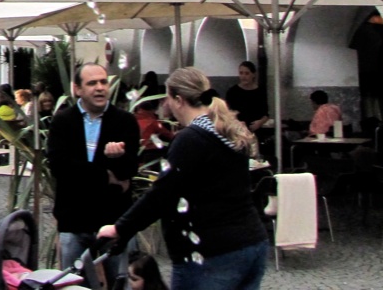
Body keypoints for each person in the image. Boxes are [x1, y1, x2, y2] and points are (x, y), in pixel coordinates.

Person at [97, 67, 268, 290]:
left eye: (168, 98)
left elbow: (162, 194)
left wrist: (120, 229)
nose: (166, 104)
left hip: (209, 251)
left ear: (178, 100)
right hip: (251, 241)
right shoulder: (227, 132)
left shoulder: (191, 139)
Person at [47, 63, 139, 287]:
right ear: (77, 89)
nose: (99, 88)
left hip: (113, 220)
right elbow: (60, 167)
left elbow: (129, 171)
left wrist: (117, 159)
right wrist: (106, 176)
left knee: (121, 283)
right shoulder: (62, 121)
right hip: (73, 219)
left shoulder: (125, 121)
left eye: (103, 82)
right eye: (92, 83)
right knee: (73, 286)